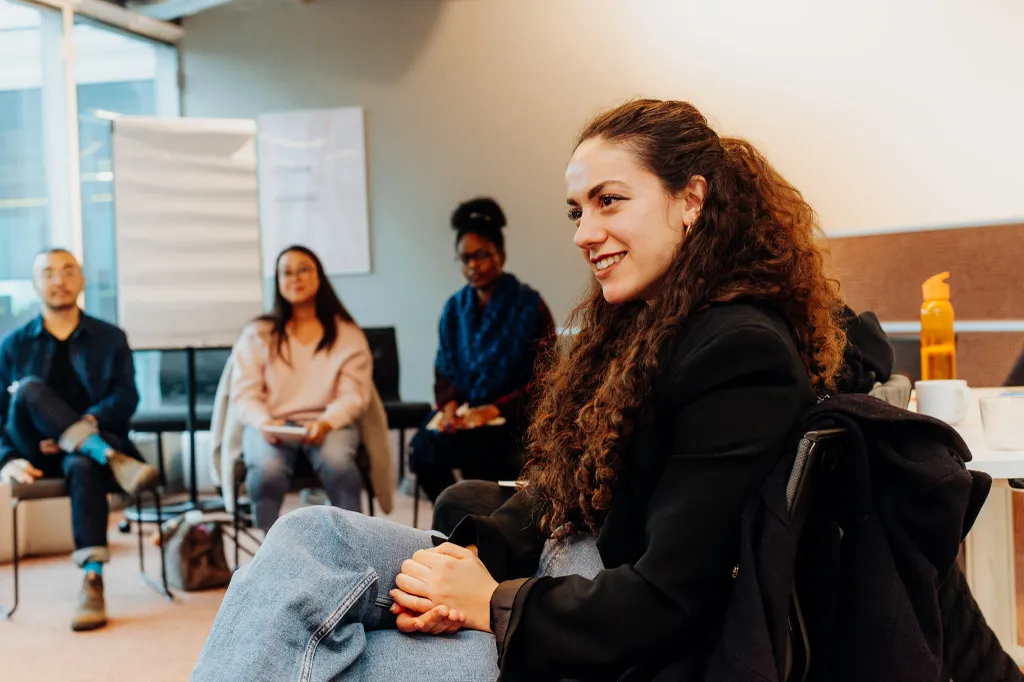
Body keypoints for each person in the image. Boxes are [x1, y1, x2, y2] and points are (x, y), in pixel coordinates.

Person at [191, 99, 846, 681]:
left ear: (691, 200)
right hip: (553, 571)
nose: (584, 233)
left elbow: (670, 601)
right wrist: (470, 557)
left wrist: (491, 603)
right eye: (578, 209)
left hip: (602, 635)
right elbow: (569, 495)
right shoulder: (642, 329)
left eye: (609, 200)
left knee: (333, 651)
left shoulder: (738, 351)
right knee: (309, 540)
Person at [0, 248, 158, 632]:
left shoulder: (111, 337)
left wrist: (84, 426)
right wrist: (6, 458)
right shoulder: (13, 345)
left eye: (68, 271)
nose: (59, 280)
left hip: (84, 454)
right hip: (35, 449)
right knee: (29, 390)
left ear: (82, 280)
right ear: (37, 284)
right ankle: (108, 455)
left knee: (82, 463)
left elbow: (126, 399)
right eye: (49, 273)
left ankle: (92, 578)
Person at [409, 197, 555, 501]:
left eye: (481, 255)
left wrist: (495, 410)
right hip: (465, 417)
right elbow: (444, 370)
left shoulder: (529, 305)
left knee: (487, 455)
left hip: (513, 418)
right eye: (465, 259)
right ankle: (452, 518)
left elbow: (547, 378)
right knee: (422, 448)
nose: (473, 265)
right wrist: (449, 408)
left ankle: (488, 524)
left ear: (500, 254)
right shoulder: (454, 308)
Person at [231, 245, 372, 532]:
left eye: (304, 269)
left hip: (329, 424)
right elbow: (245, 394)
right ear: (278, 281)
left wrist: (327, 422)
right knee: (266, 472)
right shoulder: (259, 333)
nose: (295, 277)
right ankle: (268, 555)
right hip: (273, 425)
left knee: (339, 464)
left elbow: (353, 395)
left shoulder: (346, 333)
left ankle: (357, 548)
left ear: (319, 276)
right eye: (286, 272)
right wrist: (265, 422)